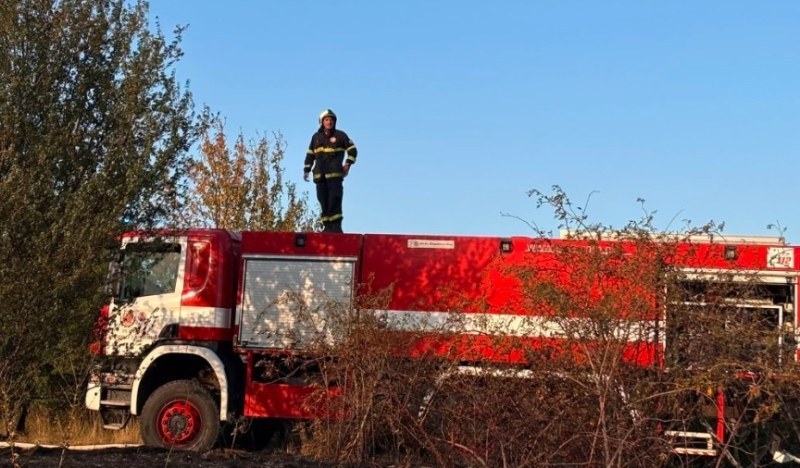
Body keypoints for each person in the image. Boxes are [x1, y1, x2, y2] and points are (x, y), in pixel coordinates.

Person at [304, 109, 358, 233]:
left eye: (331, 120)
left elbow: (352, 150)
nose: (329, 122)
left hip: (334, 176)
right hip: (319, 176)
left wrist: (348, 164)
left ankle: (336, 227)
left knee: (334, 200)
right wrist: (306, 169)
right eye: (327, 120)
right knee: (323, 201)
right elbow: (310, 154)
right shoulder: (316, 137)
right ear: (322, 122)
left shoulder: (340, 136)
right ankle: (327, 226)